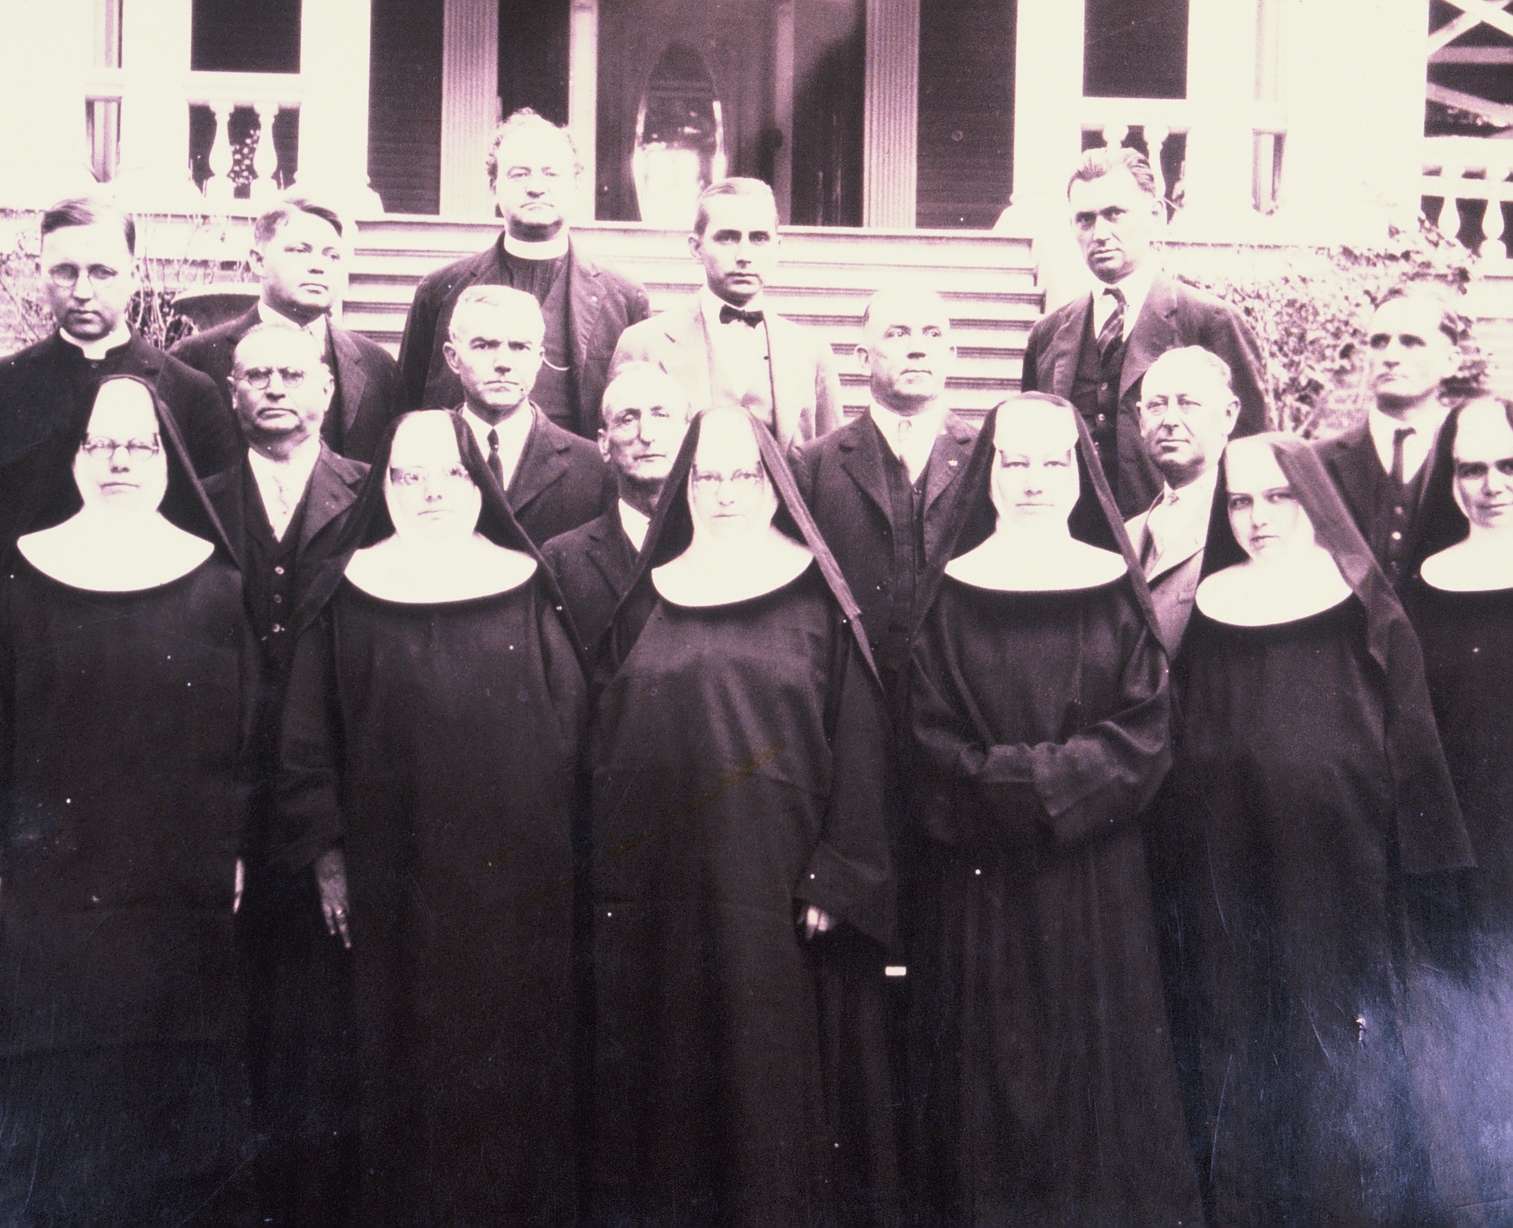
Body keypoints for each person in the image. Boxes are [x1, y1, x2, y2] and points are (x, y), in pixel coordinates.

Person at [0, 375, 257, 1226]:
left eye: (139, 445)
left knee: (174, 1085)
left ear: (167, 461)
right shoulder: (26, 574)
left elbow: (244, 739)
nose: (120, 460)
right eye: (103, 445)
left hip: (177, 880)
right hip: (52, 884)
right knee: (58, 1089)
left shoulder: (214, 585)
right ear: (78, 460)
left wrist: (233, 845)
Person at [586, 407, 895, 1225]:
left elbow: (860, 741)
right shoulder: (647, 598)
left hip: (776, 889)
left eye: (744, 476)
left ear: (776, 486)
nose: (724, 492)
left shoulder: (817, 599)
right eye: (708, 477)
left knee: (767, 1081)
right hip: (659, 889)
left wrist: (839, 868)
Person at [276, 410, 585, 1225]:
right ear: (384, 487)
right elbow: (305, 741)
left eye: (449, 475)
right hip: (392, 880)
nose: (431, 493)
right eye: (407, 477)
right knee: (398, 1069)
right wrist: (327, 857)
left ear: (477, 486)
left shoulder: (523, 583)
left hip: (516, 886)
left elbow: (573, 732)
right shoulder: (345, 588)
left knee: (510, 1069)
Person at [901, 393, 1202, 1226]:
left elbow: (1145, 736)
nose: (1034, 479)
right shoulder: (949, 597)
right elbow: (927, 742)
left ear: (1079, 472)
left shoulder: (1114, 589)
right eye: (1016, 461)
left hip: (1096, 885)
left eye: (1052, 461)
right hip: (978, 886)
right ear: (990, 474)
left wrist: (1024, 784)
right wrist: (1039, 787)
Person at [1169, 433, 1472, 1224]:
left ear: (1312, 498)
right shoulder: (1207, 607)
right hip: (1228, 869)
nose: (1258, 516)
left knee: (1340, 1046)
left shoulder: (1364, 603)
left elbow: (1413, 749)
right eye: (1239, 500)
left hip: (1345, 868)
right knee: (1239, 1036)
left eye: (1278, 497)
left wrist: (1426, 874)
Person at [201, 324, 366, 1225]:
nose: (274, 389)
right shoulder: (199, 498)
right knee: (233, 1009)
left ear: (326, 393)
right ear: (231, 393)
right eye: (256, 375)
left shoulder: (372, 495)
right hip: (225, 789)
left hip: (329, 793)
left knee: (320, 1015)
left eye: (292, 375)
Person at [0, 195, 238, 563]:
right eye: (64, 271)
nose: (82, 292)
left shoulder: (189, 391)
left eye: (102, 272)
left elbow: (214, 530)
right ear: (40, 274)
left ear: (132, 275)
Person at [1399, 397, 1513, 1219]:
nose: (1489, 484)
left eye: (1508, 466)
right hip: (1462, 844)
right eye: (1471, 468)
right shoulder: (1423, 587)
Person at [1021, 147, 1266, 516]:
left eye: (1114, 214)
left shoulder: (1210, 322)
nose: (1100, 233)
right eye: (1085, 220)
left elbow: (1254, 455)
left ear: (1155, 216)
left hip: (1174, 548)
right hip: (1072, 554)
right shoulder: (1049, 334)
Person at [397, 109, 651, 438]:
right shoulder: (440, 291)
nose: (535, 188)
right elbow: (406, 411)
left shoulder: (624, 297)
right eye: (519, 174)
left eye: (551, 174)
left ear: (575, 186)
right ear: (494, 187)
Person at [794, 283, 979, 695]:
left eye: (932, 335)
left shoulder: (988, 458)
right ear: (863, 359)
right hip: (851, 694)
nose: (917, 349)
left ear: (951, 356)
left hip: (958, 697)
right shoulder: (815, 463)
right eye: (896, 334)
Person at [611, 177, 841, 451]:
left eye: (759, 238)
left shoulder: (811, 352)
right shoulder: (643, 343)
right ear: (696, 248)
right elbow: (619, 455)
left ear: (777, 247)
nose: (744, 255)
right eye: (727, 238)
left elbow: (831, 463)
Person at [171, 193, 400, 463]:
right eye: (300, 251)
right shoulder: (194, 360)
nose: (318, 267)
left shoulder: (378, 366)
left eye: (332, 256)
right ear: (257, 261)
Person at [1315, 287, 1476, 584]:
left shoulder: (1478, 459)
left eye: (1411, 342)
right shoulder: (1318, 462)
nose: (1390, 356)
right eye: (1379, 342)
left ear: (1451, 361)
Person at [441, 284, 613, 545]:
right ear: (453, 357)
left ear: (539, 358)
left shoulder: (594, 469)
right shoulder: (417, 453)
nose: (503, 364)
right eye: (484, 345)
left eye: (519, 347)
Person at [541, 362, 692, 656]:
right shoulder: (562, 559)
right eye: (627, 419)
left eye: (661, 415)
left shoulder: (715, 545)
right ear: (604, 444)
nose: (646, 434)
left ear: (688, 435)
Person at [1123, 345, 1243, 656]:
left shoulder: (1246, 525)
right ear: (1140, 419)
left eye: (1188, 404)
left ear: (1228, 416)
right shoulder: (1128, 533)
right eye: (1157, 406)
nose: (1170, 420)